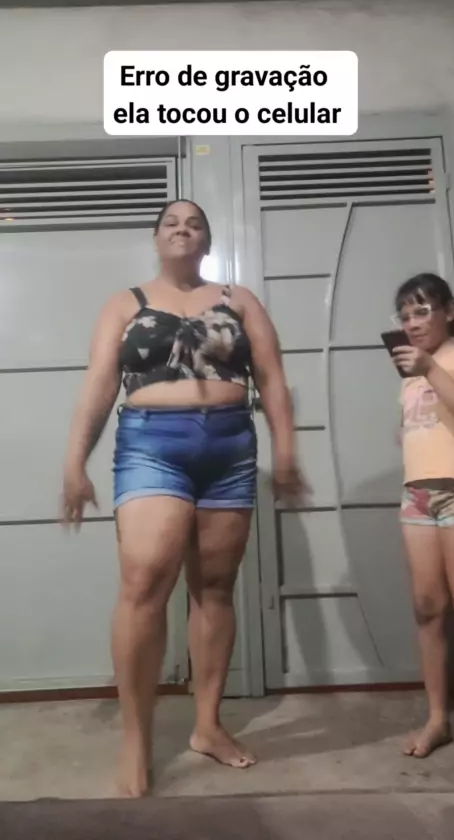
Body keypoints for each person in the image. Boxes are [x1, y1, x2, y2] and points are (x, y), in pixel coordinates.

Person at [62, 198, 304, 797]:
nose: (182, 229)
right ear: (156, 238)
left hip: (230, 448)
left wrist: (286, 451)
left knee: (215, 587)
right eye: (171, 222)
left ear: (206, 241)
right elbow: (100, 382)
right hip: (152, 444)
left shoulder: (240, 300)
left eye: (194, 223)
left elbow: (272, 377)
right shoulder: (125, 304)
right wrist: (75, 461)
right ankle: (136, 742)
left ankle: (208, 726)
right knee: (144, 581)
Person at [390, 272, 454, 771]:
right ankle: (438, 719)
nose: (412, 323)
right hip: (417, 496)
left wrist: (429, 369)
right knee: (427, 608)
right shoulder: (410, 372)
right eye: (405, 315)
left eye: (422, 311)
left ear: (450, 311)